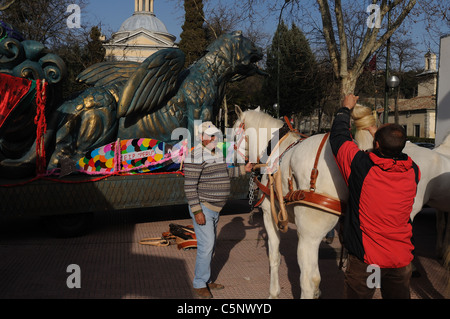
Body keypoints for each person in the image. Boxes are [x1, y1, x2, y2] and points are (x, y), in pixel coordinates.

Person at [329, 94, 420, 299]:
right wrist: (379, 136)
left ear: (376, 144)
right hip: (400, 260)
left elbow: (339, 139)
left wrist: (345, 109)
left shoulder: (361, 166)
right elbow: (394, 153)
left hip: (368, 261)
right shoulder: (413, 171)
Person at [183, 121, 253, 298]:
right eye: (210, 136)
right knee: (206, 246)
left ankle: (206, 280)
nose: (214, 138)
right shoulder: (195, 156)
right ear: (201, 137)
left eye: (216, 135)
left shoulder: (216, 153)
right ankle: (199, 283)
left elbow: (224, 173)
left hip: (215, 208)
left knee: (211, 245)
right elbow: (190, 187)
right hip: (204, 207)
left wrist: (243, 170)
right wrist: (197, 211)